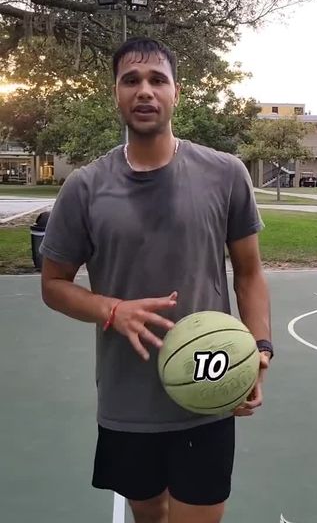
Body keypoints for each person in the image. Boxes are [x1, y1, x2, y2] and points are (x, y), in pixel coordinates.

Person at [40, 36, 273, 523]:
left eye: (157, 80)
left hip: (208, 387)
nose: (144, 90)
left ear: (176, 92)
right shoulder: (85, 187)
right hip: (128, 398)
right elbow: (54, 284)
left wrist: (260, 348)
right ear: (116, 94)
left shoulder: (225, 174)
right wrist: (111, 309)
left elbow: (250, 274)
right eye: (131, 80)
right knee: (148, 514)